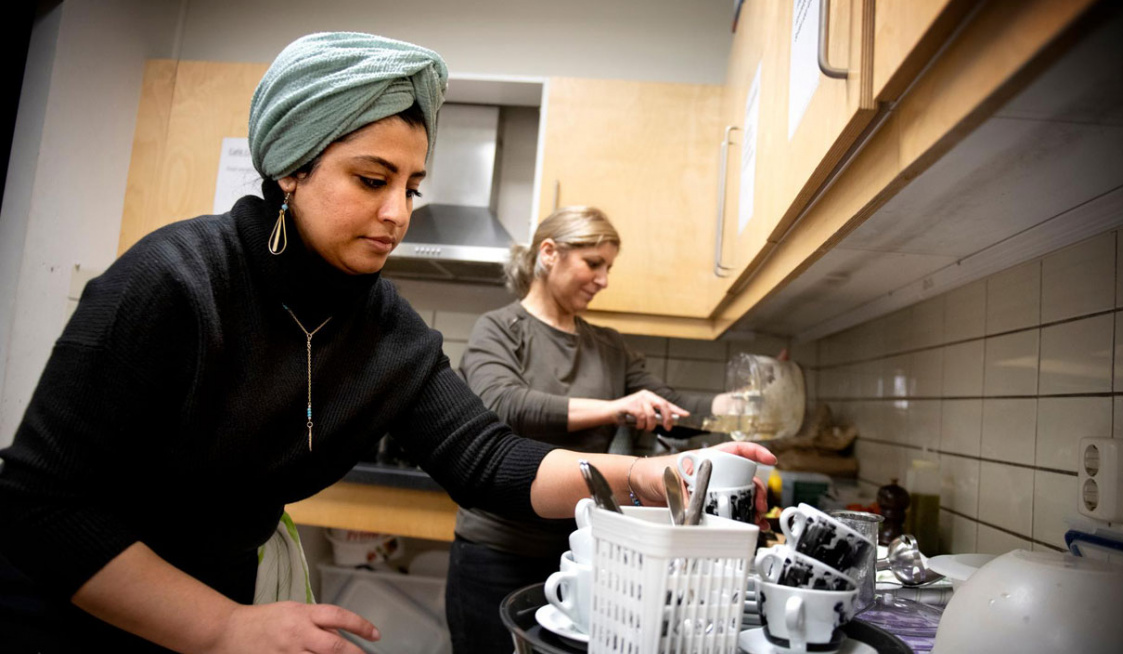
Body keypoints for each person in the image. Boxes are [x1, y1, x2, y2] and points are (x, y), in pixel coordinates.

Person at [0, 32, 774, 654]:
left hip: (218, 604)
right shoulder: (173, 285)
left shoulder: (384, 326)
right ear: (290, 170)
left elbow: (491, 462)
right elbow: (40, 504)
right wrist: (219, 629)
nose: (398, 212)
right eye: (372, 180)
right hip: (72, 609)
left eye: (412, 186)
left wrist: (657, 472)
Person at [446, 207, 765, 653]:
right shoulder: (499, 329)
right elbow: (505, 404)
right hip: (496, 552)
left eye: (608, 267)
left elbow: (672, 406)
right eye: (593, 263)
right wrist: (617, 408)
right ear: (550, 253)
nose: (603, 279)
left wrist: (741, 405)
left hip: (583, 552)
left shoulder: (610, 346)